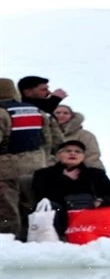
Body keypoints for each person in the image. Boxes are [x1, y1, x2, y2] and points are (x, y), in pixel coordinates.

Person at [0, 78, 63, 239]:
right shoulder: (36, 110)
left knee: (6, 210)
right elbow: (55, 140)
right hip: (37, 166)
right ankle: (32, 240)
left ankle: (8, 241)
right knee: (31, 206)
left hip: (5, 169)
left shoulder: (1, 112)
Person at [31, 140, 110, 238]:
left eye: (77, 151)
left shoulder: (95, 174)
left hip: (92, 211)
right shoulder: (43, 174)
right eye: (68, 151)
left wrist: (101, 200)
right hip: (62, 211)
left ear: (83, 156)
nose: (73, 153)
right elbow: (41, 195)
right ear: (58, 155)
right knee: (48, 206)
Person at [52, 105, 105, 170]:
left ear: (72, 116)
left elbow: (91, 155)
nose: (61, 115)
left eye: (65, 113)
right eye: (57, 113)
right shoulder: (45, 134)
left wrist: (92, 172)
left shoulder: (85, 135)